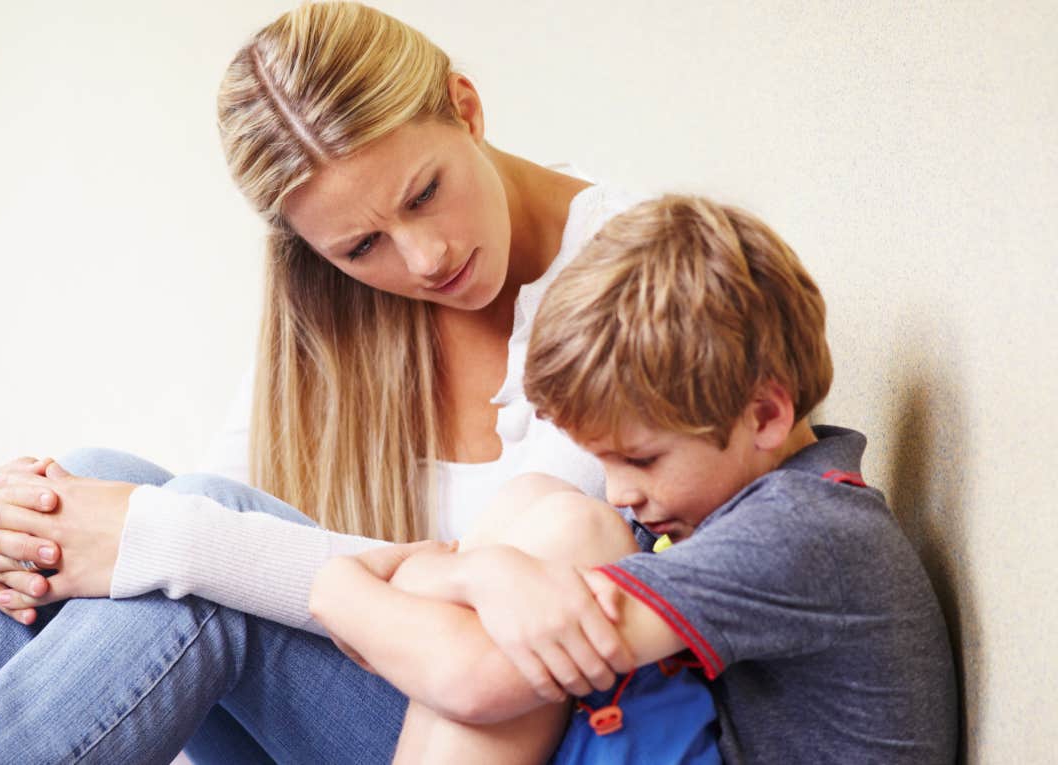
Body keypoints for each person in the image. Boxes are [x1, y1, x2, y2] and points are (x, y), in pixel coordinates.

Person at [0, 3, 644, 762]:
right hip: (377, 700)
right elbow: (215, 514)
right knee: (113, 484)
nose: (424, 258)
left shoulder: (635, 281)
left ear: (465, 107)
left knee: (199, 559)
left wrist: (186, 542)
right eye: (359, 247)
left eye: (425, 193)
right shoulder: (347, 312)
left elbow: (504, 628)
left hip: (503, 734)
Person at [315, 195, 958, 763]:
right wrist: (478, 574)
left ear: (765, 413)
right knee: (537, 501)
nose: (620, 491)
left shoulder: (804, 532)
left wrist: (338, 588)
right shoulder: (738, 507)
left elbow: (475, 682)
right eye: (605, 462)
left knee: (574, 530)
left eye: (642, 460)